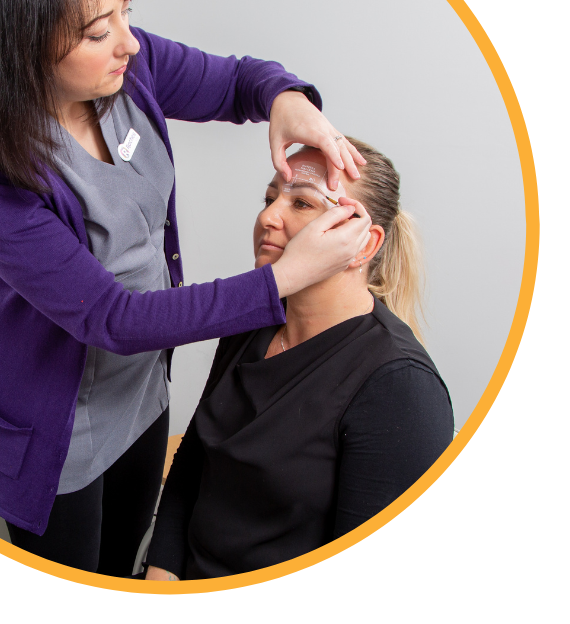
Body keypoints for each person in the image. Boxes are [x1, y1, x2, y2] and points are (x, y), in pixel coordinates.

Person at [0, 0, 371, 576]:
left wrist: (285, 98)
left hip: (139, 394)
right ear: (21, 43)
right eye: (97, 31)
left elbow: (234, 81)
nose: (129, 43)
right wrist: (282, 281)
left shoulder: (124, 71)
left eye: (126, 14)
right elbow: (112, 317)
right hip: (53, 428)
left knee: (128, 553)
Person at [146, 138, 454, 580]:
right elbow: (194, 465)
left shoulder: (400, 388)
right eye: (270, 198)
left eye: (302, 204)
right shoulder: (249, 321)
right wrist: (161, 573)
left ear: (363, 244)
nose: (268, 216)